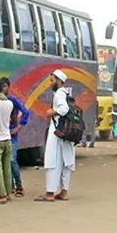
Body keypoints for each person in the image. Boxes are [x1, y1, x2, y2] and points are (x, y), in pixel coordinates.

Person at [36, 70, 76, 202]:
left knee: (52, 161)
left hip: (57, 132)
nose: (50, 83)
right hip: (66, 133)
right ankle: (64, 192)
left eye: (52, 80)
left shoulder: (59, 93)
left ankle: (49, 193)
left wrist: (52, 112)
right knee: (66, 162)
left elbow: (64, 109)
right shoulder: (67, 93)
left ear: (59, 81)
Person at [1, 77, 29, 197]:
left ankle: (19, 186)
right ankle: (10, 185)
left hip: (12, 135)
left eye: (4, 86)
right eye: (0, 87)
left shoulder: (13, 100)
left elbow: (26, 112)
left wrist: (18, 128)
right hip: (1, 134)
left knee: (12, 160)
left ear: (8, 87)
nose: (2, 89)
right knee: (5, 161)